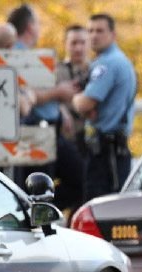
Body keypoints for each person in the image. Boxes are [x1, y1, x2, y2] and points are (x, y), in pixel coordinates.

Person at [7, 4, 84, 212]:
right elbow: (25, 99)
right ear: (30, 26)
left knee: (77, 178)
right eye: (38, 23)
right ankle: (36, 213)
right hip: (35, 133)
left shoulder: (30, 55)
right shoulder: (17, 56)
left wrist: (60, 108)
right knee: (43, 187)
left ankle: (41, 212)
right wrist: (58, 93)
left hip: (51, 130)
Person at [73, 13, 137, 200]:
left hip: (107, 153)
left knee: (100, 208)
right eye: (90, 31)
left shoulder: (107, 63)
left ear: (113, 34)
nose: (94, 35)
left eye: (100, 31)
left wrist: (76, 98)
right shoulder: (115, 60)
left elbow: (85, 103)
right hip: (111, 150)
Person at [54, 24, 91, 212]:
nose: (78, 48)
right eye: (74, 43)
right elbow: (46, 97)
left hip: (90, 141)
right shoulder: (55, 70)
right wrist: (60, 107)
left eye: (83, 43)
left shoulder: (96, 70)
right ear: (65, 44)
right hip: (65, 140)